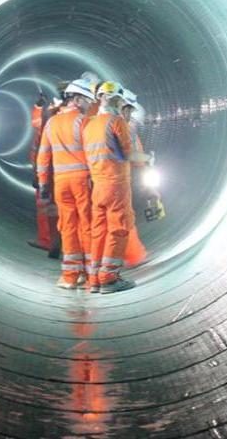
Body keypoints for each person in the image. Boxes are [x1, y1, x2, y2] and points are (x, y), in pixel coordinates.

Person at [36, 78, 96, 289]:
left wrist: (43, 184)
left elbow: (43, 156)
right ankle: (90, 274)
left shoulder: (52, 123)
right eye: (88, 100)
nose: (90, 105)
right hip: (82, 181)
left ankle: (70, 276)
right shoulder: (84, 122)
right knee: (87, 226)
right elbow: (93, 153)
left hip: (61, 184)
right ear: (78, 99)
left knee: (68, 227)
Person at [83, 81, 136, 294]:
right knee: (118, 229)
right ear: (113, 98)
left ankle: (95, 278)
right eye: (119, 99)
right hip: (116, 184)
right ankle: (109, 278)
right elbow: (128, 153)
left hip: (98, 185)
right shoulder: (117, 121)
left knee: (99, 231)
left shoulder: (89, 125)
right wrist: (147, 159)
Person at [28, 92, 61, 258]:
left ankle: (49, 240)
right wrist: (38, 107)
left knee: (48, 208)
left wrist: (38, 177)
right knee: (53, 209)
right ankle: (53, 241)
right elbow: (36, 121)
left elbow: (42, 155)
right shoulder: (47, 123)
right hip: (57, 174)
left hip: (50, 174)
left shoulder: (52, 127)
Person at [121, 89, 152, 267]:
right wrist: (146, 160)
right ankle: (132, 255)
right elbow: (129, 154)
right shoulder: (120, 126)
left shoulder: (126, 127)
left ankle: (131, 254)